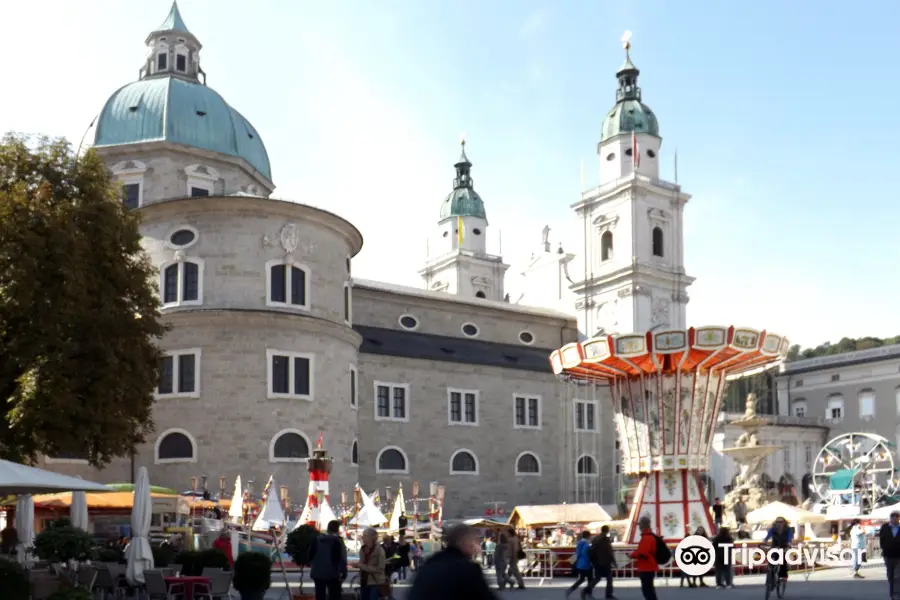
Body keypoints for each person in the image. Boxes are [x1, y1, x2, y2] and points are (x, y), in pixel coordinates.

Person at [406, 523, 497, 600]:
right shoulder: (467, 569)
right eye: (474, 541)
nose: (477, 547)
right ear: (465, 542)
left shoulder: (430, 562)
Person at [309, 520, 348, 600]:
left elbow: (310, 555)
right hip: (333, 573)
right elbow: (342, 559)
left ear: (328, 529)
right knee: (334, 596)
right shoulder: (338, 541)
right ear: (337, 529)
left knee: (320, 595)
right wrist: (344, 574)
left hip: (317, 572)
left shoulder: (317, 540)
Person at [350, 528, 385, 600]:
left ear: (372, 537)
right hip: (363, 581)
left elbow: (380, 568)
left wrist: (362, 566)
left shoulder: (380, 550)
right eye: (363, 535)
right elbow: (361, 563)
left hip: (374, 582)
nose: (362, 537)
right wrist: (356, 564)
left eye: (365, 535)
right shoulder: (362, 549)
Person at [585, 525, 617, 599]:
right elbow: (609, 552)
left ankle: (586, 589)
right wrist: (614, 562)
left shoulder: (595, 538)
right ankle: (608, 594)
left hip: (596, 562)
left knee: (597, 578)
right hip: (605, 562)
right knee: (609, 579)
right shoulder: (606, 539)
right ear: (607, 531)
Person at [630, 516, 658, 600]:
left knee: (647, 591)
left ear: (643, 525)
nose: (639, 527)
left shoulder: (646, 537)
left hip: (646, 567)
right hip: (649, 567)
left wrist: (632, 554)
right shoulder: (650, 536)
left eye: (640, 525)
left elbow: (643, 554)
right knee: (649, 590)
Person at [762, 516, 793, 581]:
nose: (779, 523)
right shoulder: (773, 529)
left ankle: (783, 576)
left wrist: (789, 543)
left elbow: (790, 537)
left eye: (781, 522)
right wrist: (764, 542)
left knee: (783, 560)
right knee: (772, 558)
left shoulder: (788, 529)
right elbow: (767, 536)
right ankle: (771, 573)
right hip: (775, 545)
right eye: (777, 522)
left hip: (784, 545)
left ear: (784, 523)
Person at [567, 530, 594, 598]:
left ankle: (571, 589)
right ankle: (588, 593)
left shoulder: (579, 543)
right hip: (586, 564)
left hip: (580, 564)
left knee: (582, 579)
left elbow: (577, 553)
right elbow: (585, 553)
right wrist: (590, 561)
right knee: (590, 579)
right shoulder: (586, 543)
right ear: (588, 536)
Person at [879, 511, 900, 598]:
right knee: (890, 576)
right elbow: (881, 539)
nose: (895, 518)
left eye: (897, 516)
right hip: (888, 555)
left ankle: (896, 594)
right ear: (890, 518)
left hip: (899, 556)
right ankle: (892, 593)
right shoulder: (885, 527)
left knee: (897, 576)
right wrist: (884, 548)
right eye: (893, 516)